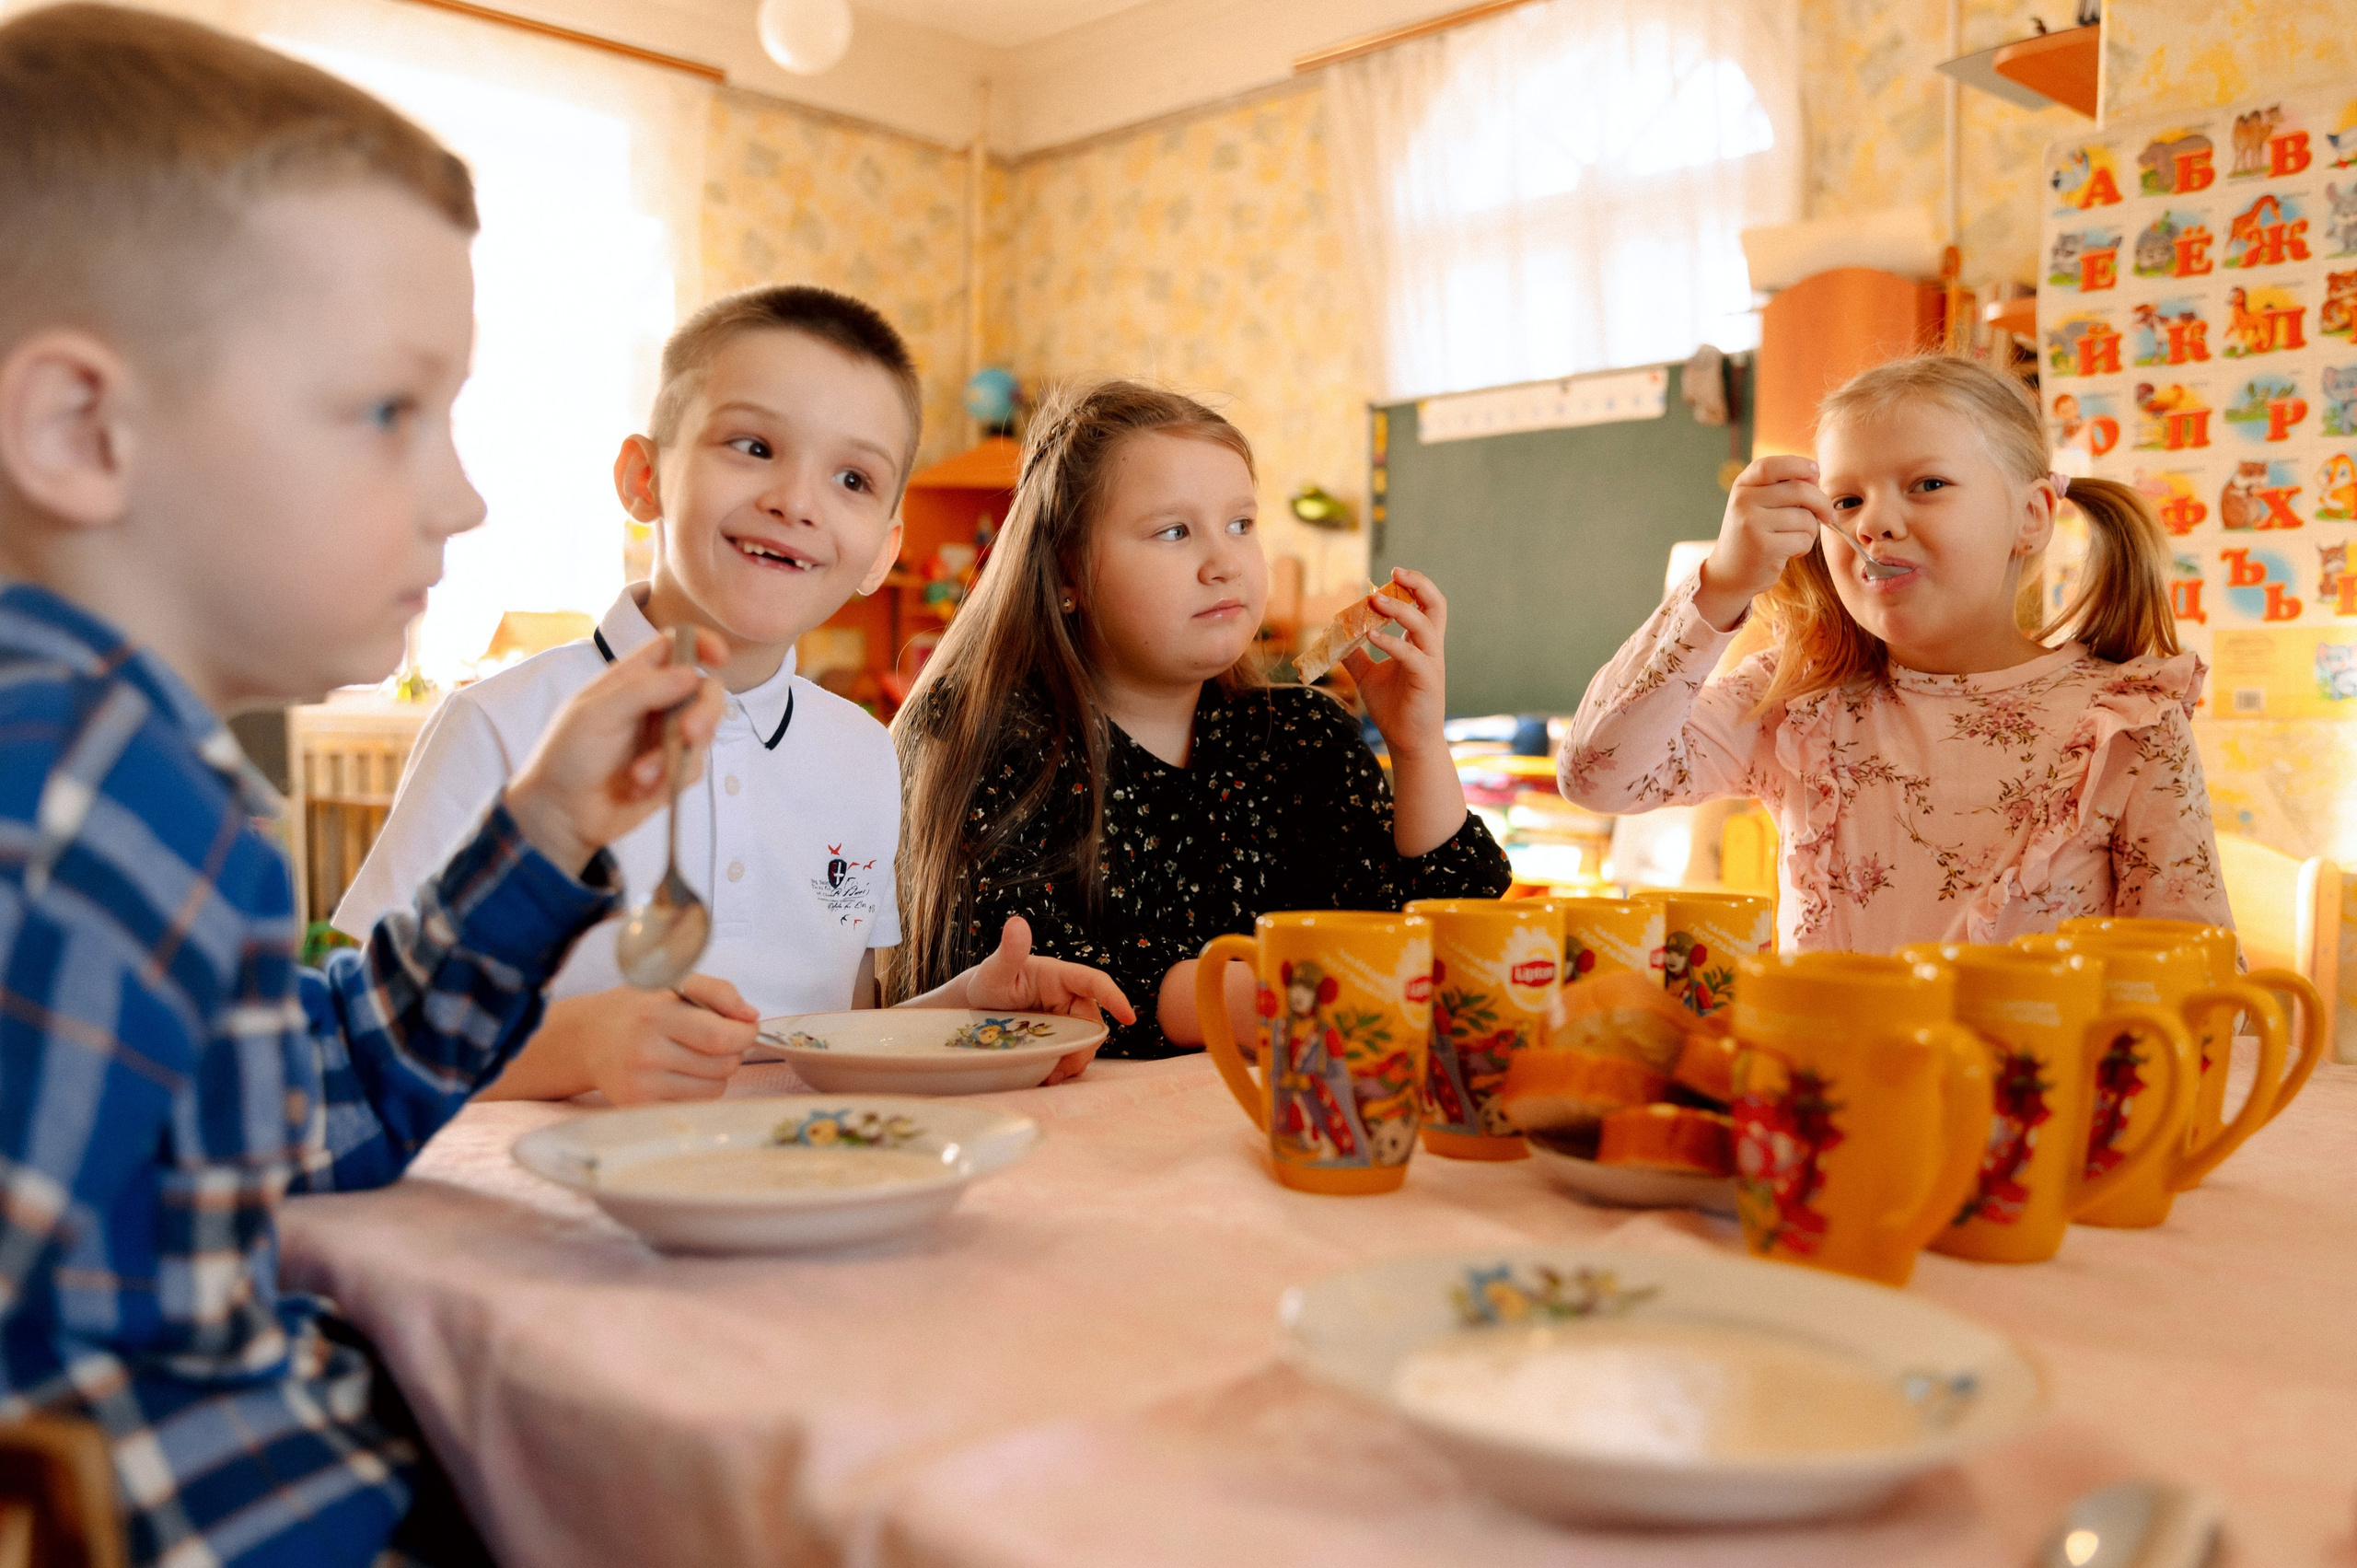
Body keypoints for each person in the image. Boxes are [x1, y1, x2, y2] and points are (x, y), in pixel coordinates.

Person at [0, 8, 741, 1561]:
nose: (464, 495)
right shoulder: (82, 795)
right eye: (390, 411)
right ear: (81, 428)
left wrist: (542, 834)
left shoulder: (120, 762)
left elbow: (300, 1107)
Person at [335, 285, 1130, 1103]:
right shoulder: (498, 727)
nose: (796, 500)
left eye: (853, 477)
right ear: (645, 479)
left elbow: (829, 1036)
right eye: (753, 445)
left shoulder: (863, 752)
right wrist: (579, 1047)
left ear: (881, 553)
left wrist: (964, 1010)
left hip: (795, 1185)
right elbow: (364, 1036)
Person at [888, 380, 1511, 1057]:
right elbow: (1018, 985)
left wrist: (1418, 746)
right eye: (1175, 531)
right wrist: (1260, 999)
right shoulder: (985, 737)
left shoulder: (1306, 736)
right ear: (1068, 572)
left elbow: (1452, 944)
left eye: (1241, 524)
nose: (1224, 563)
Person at [1560, 354, 2229, 951]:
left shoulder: (2127, 723)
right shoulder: (1796, 701)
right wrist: (1722, 585)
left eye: (1927, 484)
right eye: (1845, 500)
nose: (1872, 521)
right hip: (1829, 1090)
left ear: (2031, 518)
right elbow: (1595, 774)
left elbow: (2192, 978)